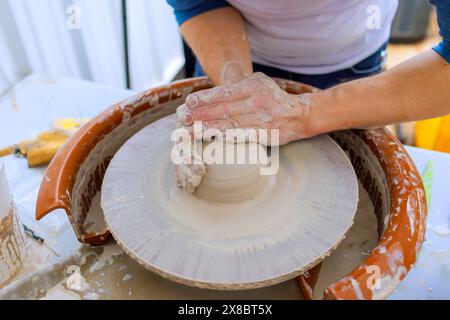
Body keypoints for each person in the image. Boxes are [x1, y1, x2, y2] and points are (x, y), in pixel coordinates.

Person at [168, 0, 450, 147]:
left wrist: (306, 114)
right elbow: (199, 2)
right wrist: (239, 91)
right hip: (231, 48)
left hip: (349, 58)